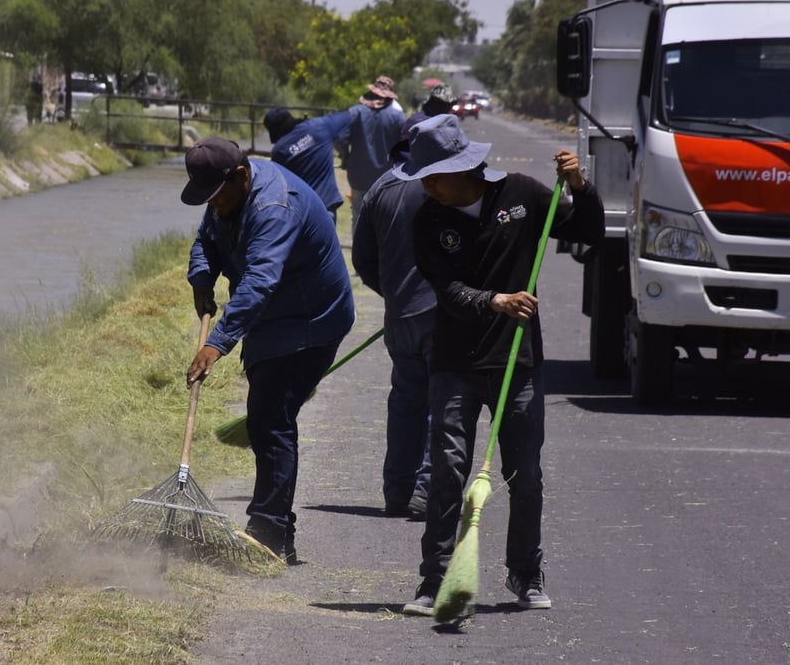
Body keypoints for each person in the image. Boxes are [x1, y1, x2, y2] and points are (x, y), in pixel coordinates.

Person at [394, 114, 604, 616]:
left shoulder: (524, 194)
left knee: (524, 473)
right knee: (447, 471)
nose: (425, 186)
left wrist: (579, 185)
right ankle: (435, 581)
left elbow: (589, 231)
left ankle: (526, 576)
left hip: (518, 361)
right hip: (454, 363)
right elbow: (445, 290)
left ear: (461, 168)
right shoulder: (427, 219)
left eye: (432, 176)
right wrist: (495, 301)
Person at [182, 138, 356, 563]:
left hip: (309, 320)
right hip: (269, 318)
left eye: (218, 197)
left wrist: (217, 343)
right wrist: (202, 279)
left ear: (241, 177)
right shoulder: (226, 192)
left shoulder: (274, 207)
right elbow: (206, 239)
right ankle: (273, 531)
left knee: (271, 421)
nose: (215, 204)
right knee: (266, 419)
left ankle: (270, 535)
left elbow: (260, 280)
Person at [351, 127, 435, 521]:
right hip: (440, 310)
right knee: (443, 403)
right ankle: (426, 488)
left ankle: (398, 490)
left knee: (405, 403)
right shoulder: (442, 183)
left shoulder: (378, 190)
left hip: (399, 317)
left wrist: (395, 294)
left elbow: (364, 263)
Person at [335, 75, 406, 236]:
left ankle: (359, 258)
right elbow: (405, 148)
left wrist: (345, 157)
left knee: (358, 217)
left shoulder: (355, 112)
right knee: (383, 220)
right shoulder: (397, 117)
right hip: (387, 180)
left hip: (358, 177)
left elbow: (339, 138)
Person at [263, 106, 351, 223]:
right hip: (326, 206)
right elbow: (349, 116)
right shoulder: (319, 126)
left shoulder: (279, 151)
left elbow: (278, 187)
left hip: (301, 213)